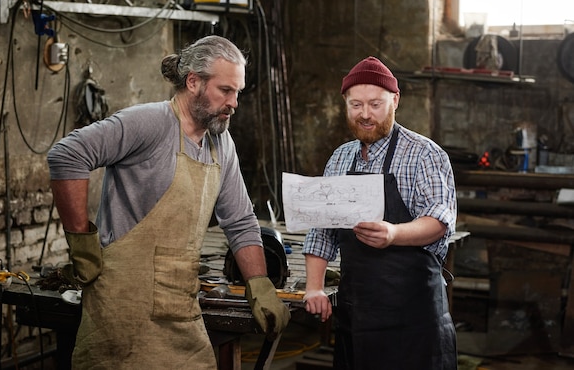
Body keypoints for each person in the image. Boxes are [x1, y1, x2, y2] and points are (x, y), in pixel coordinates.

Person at [47, 35, 290, 369]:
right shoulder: (150, 123)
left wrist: (259, 284)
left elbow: (240, 220)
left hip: (179, 303)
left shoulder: (221, 144)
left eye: (238, 92)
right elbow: (67, 155)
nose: (234, 103)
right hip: (123, 307)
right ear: (193, 82)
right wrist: (81, 242)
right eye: (225, 90)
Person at [302, 56, 458, 369]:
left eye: (375, 104)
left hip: (413, 322)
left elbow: (439, 221)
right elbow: (322, 229)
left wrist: (394, 233)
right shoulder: (340, 159)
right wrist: (314, 287)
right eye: (356, 105)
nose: (365, 115)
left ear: (395, 100)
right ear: (345, 103)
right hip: (356, 317)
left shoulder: (423, 154)